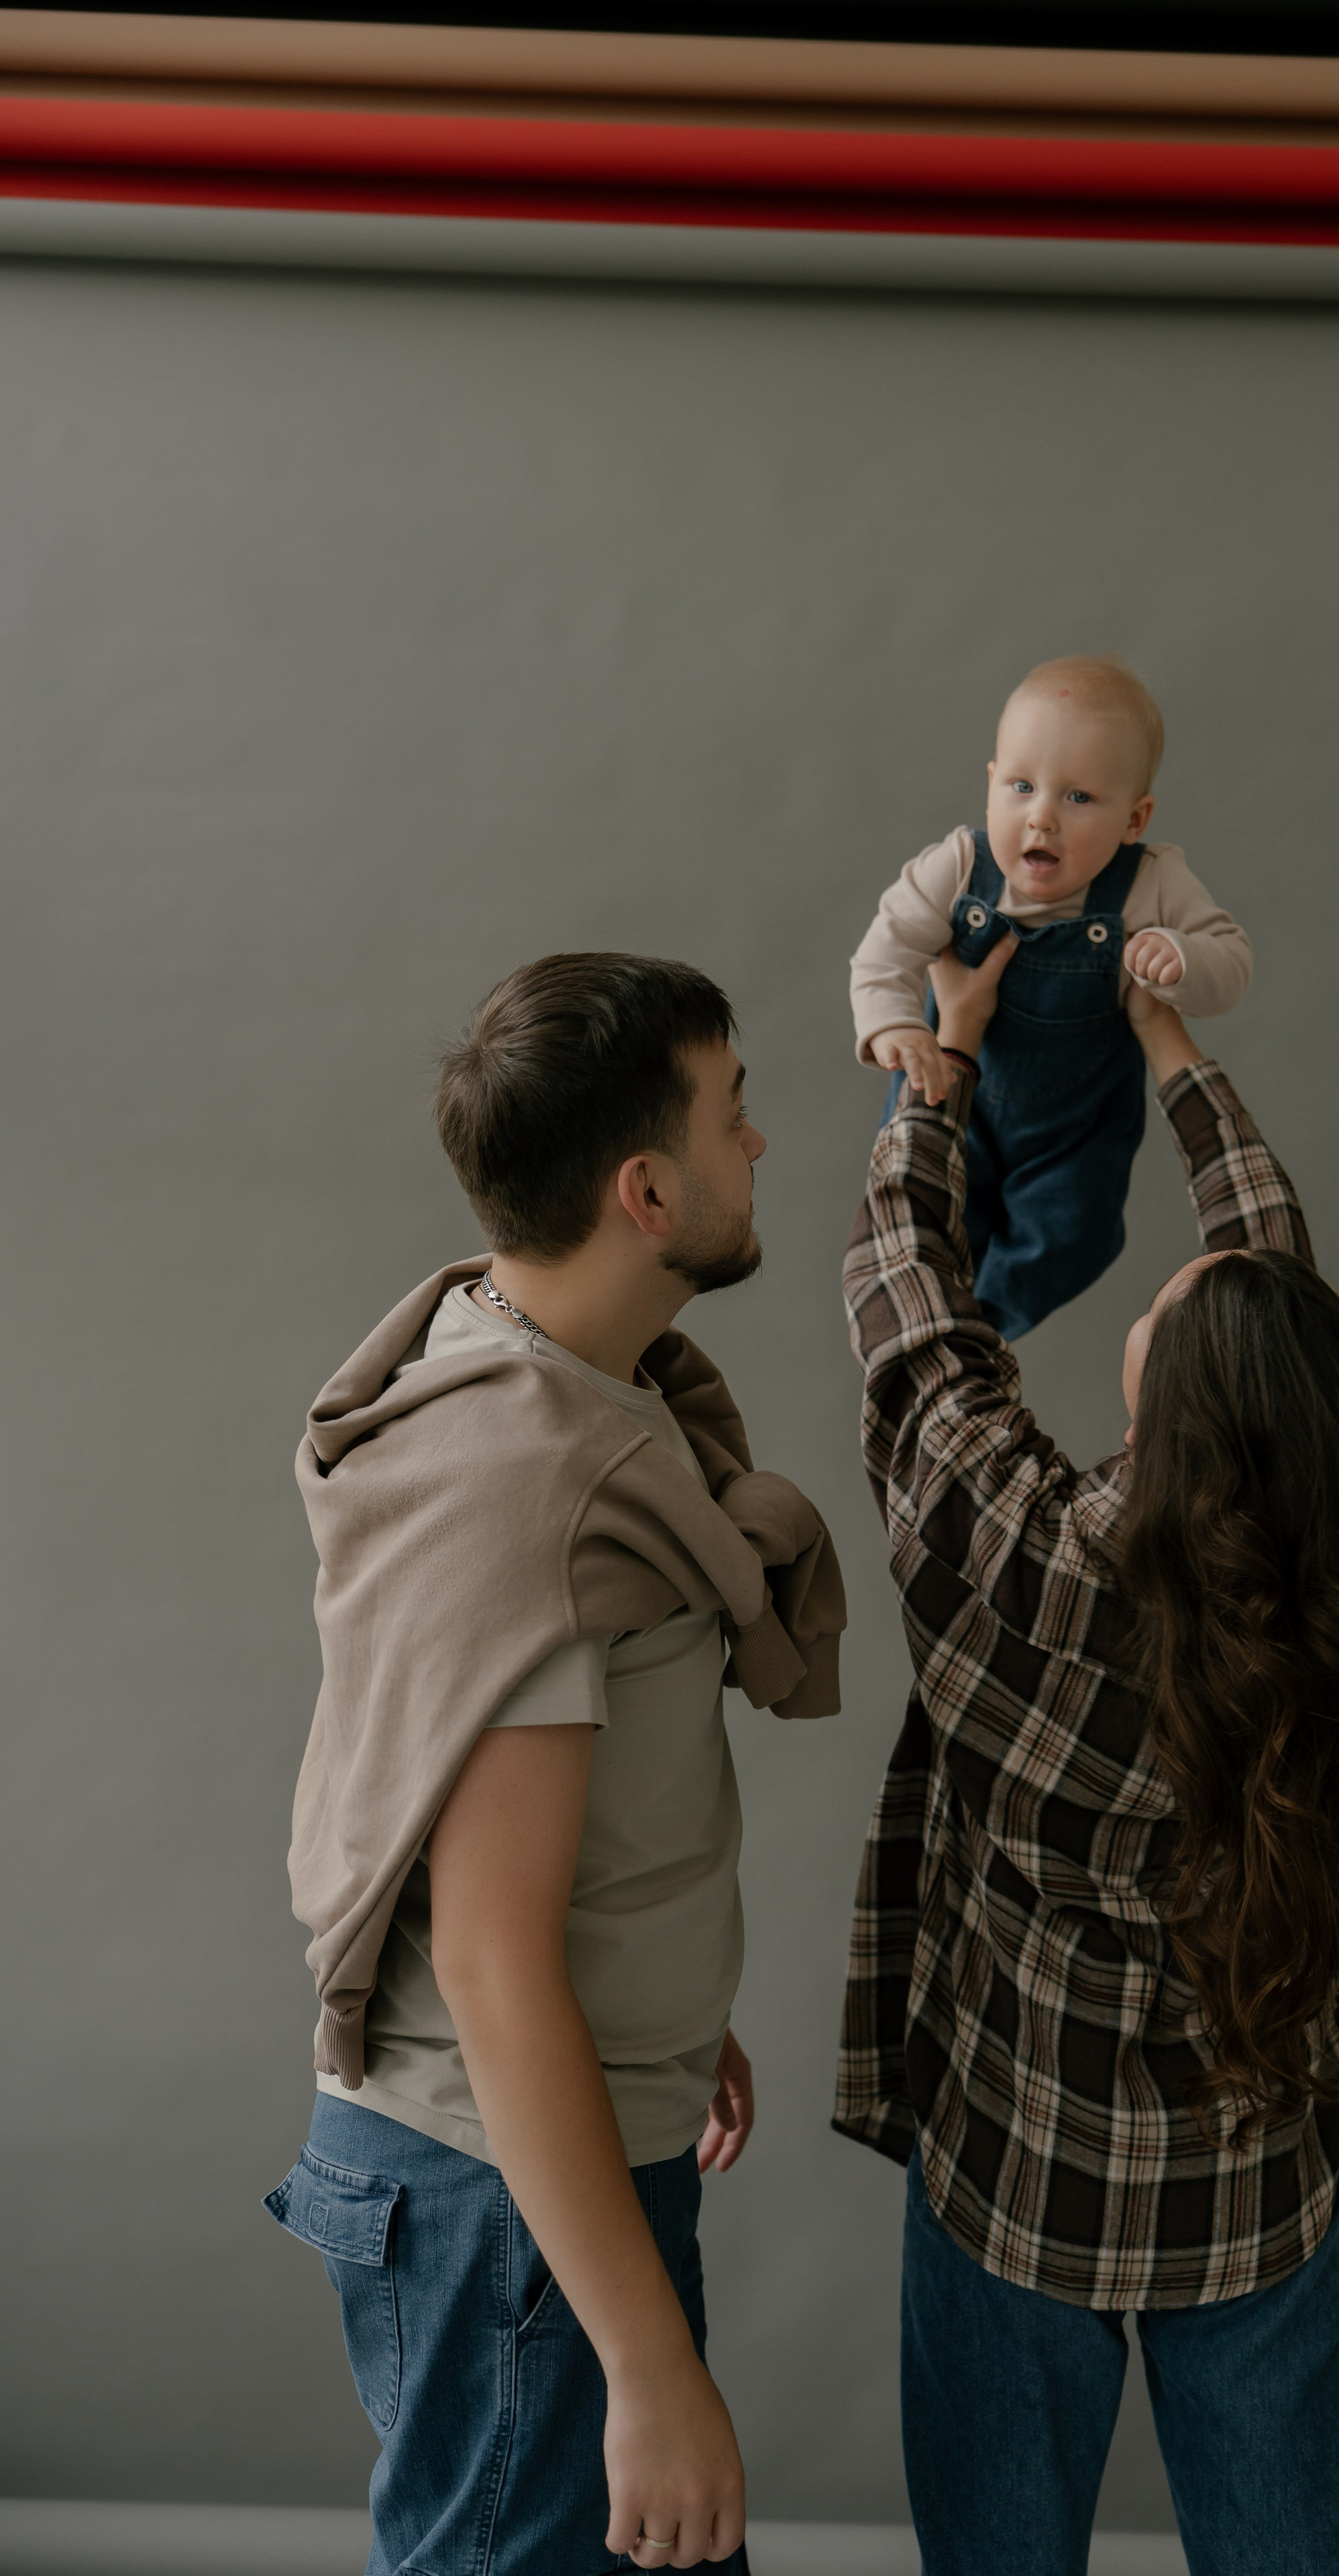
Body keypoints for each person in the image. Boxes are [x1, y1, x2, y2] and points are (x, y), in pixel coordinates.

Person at [835, 938, 1339, 2576]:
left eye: (1167, 1301)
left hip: (1011, 2172)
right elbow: (1264, 1285)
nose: (1180, 1280)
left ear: (1175, 1407)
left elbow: (907, 1317)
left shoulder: (1022, 1561)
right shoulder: (1334, 1582)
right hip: (1250, 2188)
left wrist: (937, 1079)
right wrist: (1166, 1042)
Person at [265, 953, 846, 2576]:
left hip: (536, 2159)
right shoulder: (534, 1480)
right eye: (731, 1113)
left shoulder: (556, 1376)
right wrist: (650, 2372)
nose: (758, 1143)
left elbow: (534, 1847)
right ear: (645, 1192)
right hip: (498, 2196)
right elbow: (491, 1957)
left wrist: (659, 2010)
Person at [848, 654, 1251, 1338]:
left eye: (1079, 798)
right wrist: (895, 1026)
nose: (1041, 818)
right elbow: (884, 949)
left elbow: (1232, 964)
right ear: (990, 786)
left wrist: (1181, 958)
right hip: (960, 1104)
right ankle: (935, 1326)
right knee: (924, 1219)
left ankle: (985, 1330)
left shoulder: (1151, 883)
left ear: (1135, 818)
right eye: (1021, 786)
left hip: (1077, 1131)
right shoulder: (960, 866)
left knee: (1074, 1236)